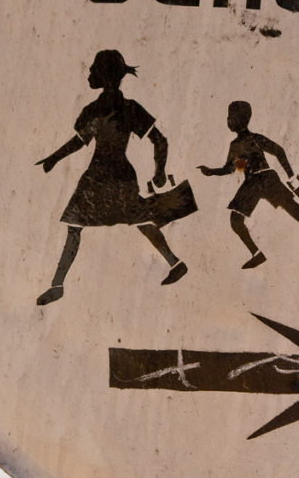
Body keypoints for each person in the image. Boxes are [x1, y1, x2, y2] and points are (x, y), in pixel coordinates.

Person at [35, 50, 187, 306]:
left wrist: (53, 159)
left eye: (93, 69)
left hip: (99, 179)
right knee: (141, 220)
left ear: (102, 76)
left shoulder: (96, 109)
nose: (89, 74)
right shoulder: (127, 108)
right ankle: (175, 263)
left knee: (75, 229)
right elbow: (159, 140)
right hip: (119, 177)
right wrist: (159, 170)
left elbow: (79, 141)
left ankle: (57, 285)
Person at [198, 101, 299, 268]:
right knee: (237, 219)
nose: (228, 120)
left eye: (231, 117)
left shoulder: (253, 138)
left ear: (241, 119)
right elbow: (232, 168)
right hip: (254, 180)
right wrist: (211, 171)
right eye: (228, 117)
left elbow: (278, 151)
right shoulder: (236, 145)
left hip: (264, 178)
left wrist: (291, 175)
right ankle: (258, 254)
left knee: (288, 206)